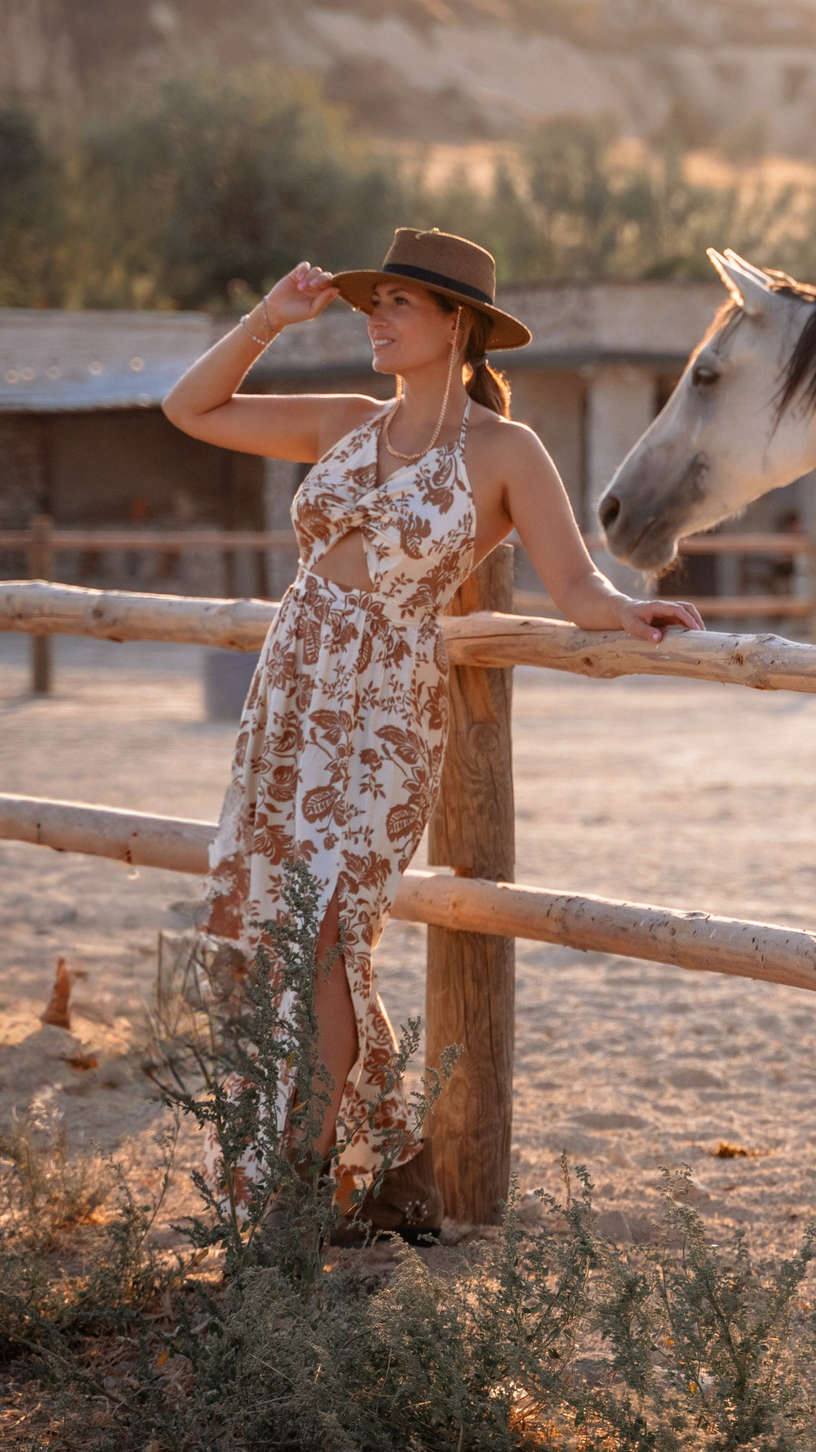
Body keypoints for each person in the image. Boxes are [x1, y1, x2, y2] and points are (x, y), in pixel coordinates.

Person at [163, 228, 703, 1238]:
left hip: (384, 707)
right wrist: (267, 322)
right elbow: (188, 407)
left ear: (458, 324)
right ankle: (360, 1172)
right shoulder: (338, 419)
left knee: (329, 932)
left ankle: (301, 1180)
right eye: (372, 305)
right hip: (292, 693)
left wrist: (632, 613)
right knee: (281, 935)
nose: (373, 319)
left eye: (397, 305)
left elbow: (576, 583)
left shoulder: (507, 451)